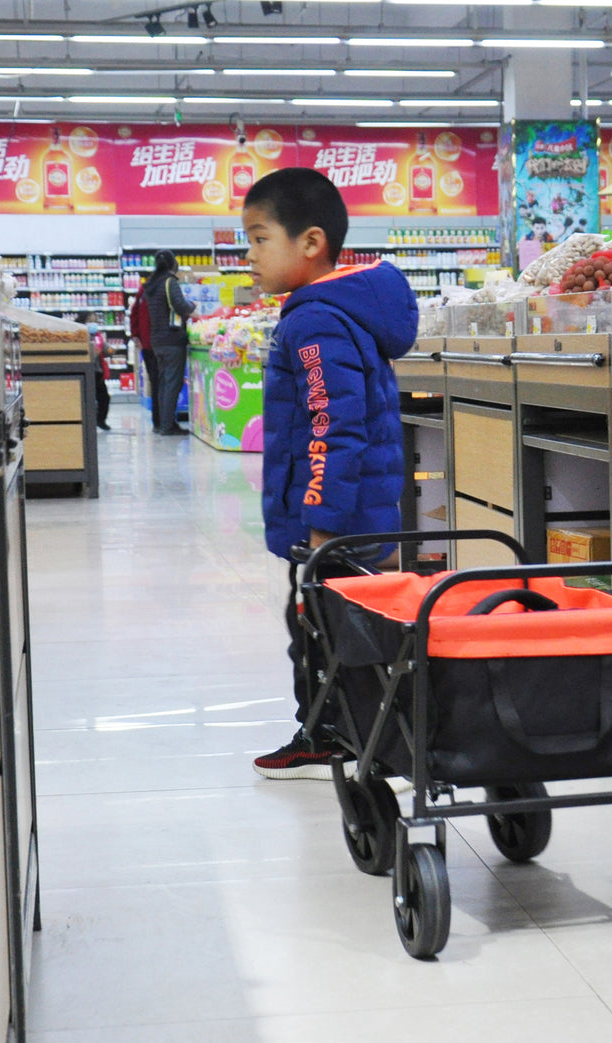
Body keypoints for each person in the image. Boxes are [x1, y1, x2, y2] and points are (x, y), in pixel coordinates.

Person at [244, 167, 418, 780]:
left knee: (323, 635)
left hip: (337, 527)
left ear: (310, 243)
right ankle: (343, 729)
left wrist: (320, 528)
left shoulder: (315, 320)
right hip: (357, 518)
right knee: (340, 632)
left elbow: (332, 429)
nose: (250, 255)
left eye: (261, 238)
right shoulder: (333, 312)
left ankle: (331, 735)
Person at [143, 250, 193, 436]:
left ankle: (164, 423)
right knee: (173, 383)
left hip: (157, 340)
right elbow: (180, 306)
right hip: (172, 339)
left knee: (164, 383)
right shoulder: (169, 282)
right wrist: (192, 307)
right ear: (173, 263)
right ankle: (168, 425)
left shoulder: (151, 285)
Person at [128, 279, 160, 431]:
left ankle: (158, 421)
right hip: (159, 343)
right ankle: (163, 421)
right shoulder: (164, 287)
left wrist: (135, 335)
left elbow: (133, 313)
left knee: (155, 381)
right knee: (162, 382)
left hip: (146, 342)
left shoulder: (144, 290)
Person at [79, 311, 111, 431]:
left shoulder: (98, 336)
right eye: (90, 321)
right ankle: (88, 422)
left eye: (95, 321)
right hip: (85, 371)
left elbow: (106, 348)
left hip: (97, 372)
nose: (93, 324)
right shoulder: (80, 335)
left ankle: (101, 420)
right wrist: (92, 353)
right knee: (88, 398)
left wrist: (111, 351)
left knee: (104, 398)